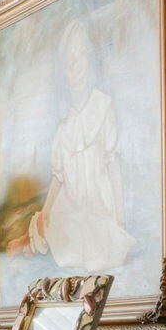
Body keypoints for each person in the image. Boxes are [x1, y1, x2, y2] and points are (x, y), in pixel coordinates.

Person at [24, 17, 135, 272]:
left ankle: (31, 243)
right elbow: (59, 176)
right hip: (72, 207)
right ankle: (29, 241)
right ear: (63, 72)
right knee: (51, 230)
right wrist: (45, 212)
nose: (79, 68)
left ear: (91, 61)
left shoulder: (102, 106)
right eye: (71, 62)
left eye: (83, 57)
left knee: (107, 249)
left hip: (98, 207)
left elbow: (112, 165)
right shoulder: (65, 124)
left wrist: (119, 216)